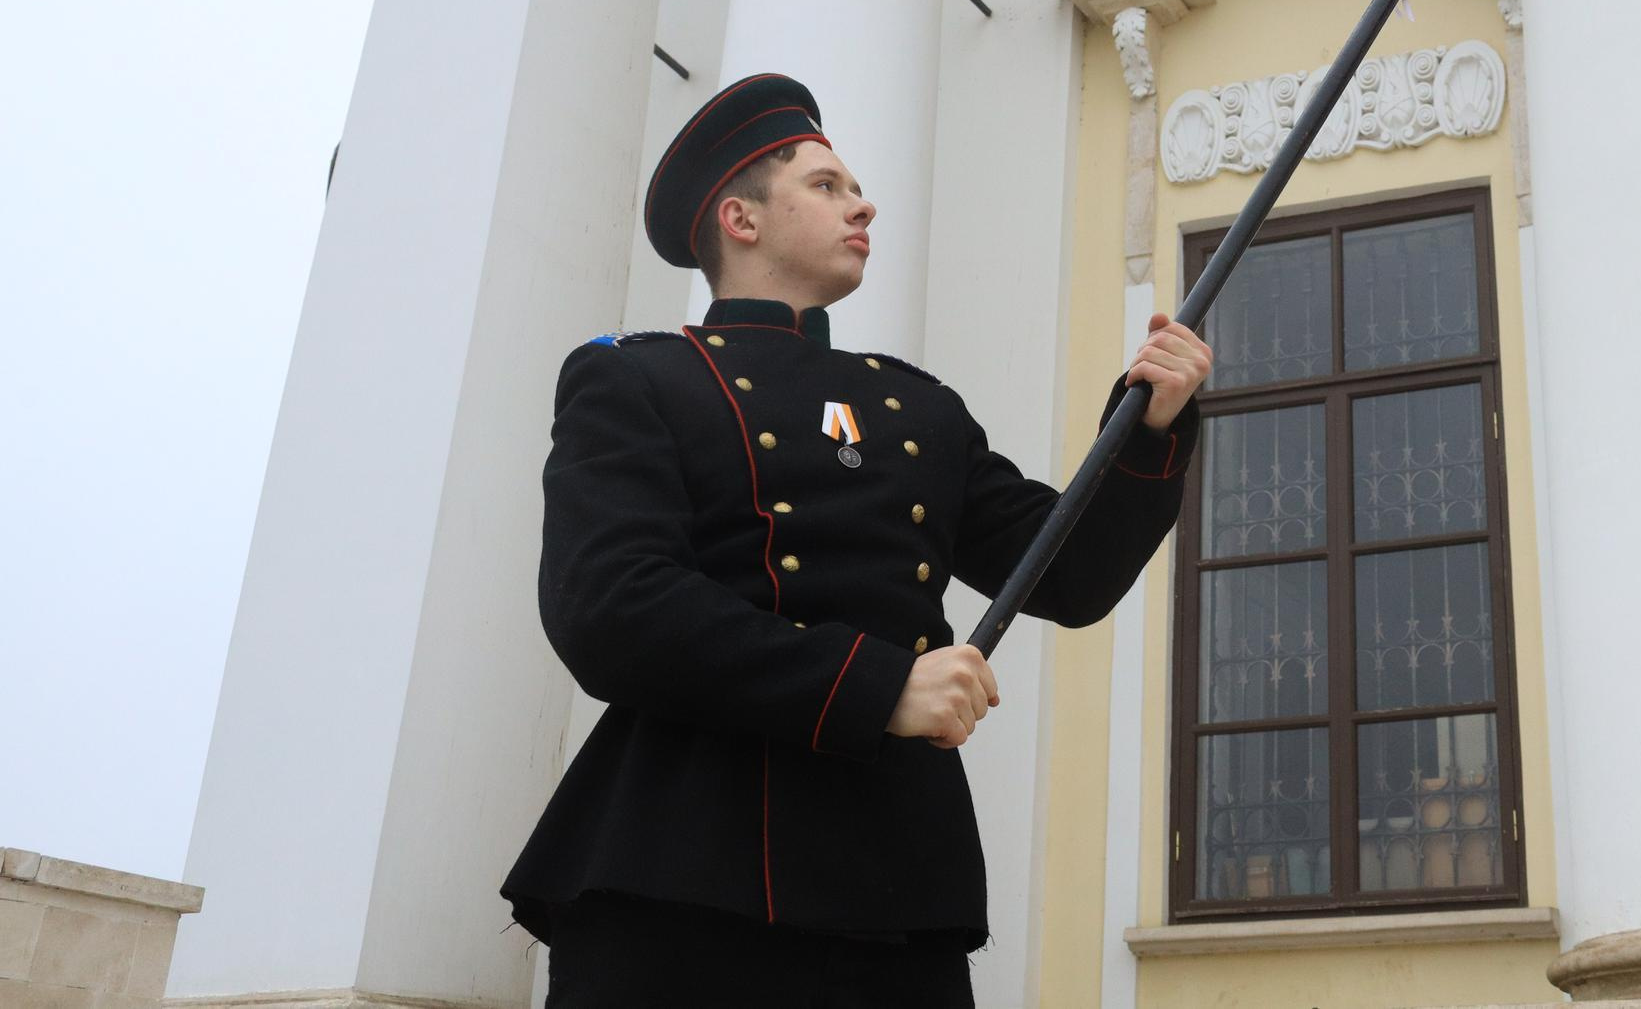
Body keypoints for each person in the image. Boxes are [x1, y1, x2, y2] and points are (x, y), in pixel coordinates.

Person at [501, 73, 1211, 1007]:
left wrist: (1148, 426)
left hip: (893, 885)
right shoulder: (637, 380)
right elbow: (610, 607)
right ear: (741, 220)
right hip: (680, 872)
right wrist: (878, 685)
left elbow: (1067, 573)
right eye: (826, 184)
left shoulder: (916, 403)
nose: (862, 200)